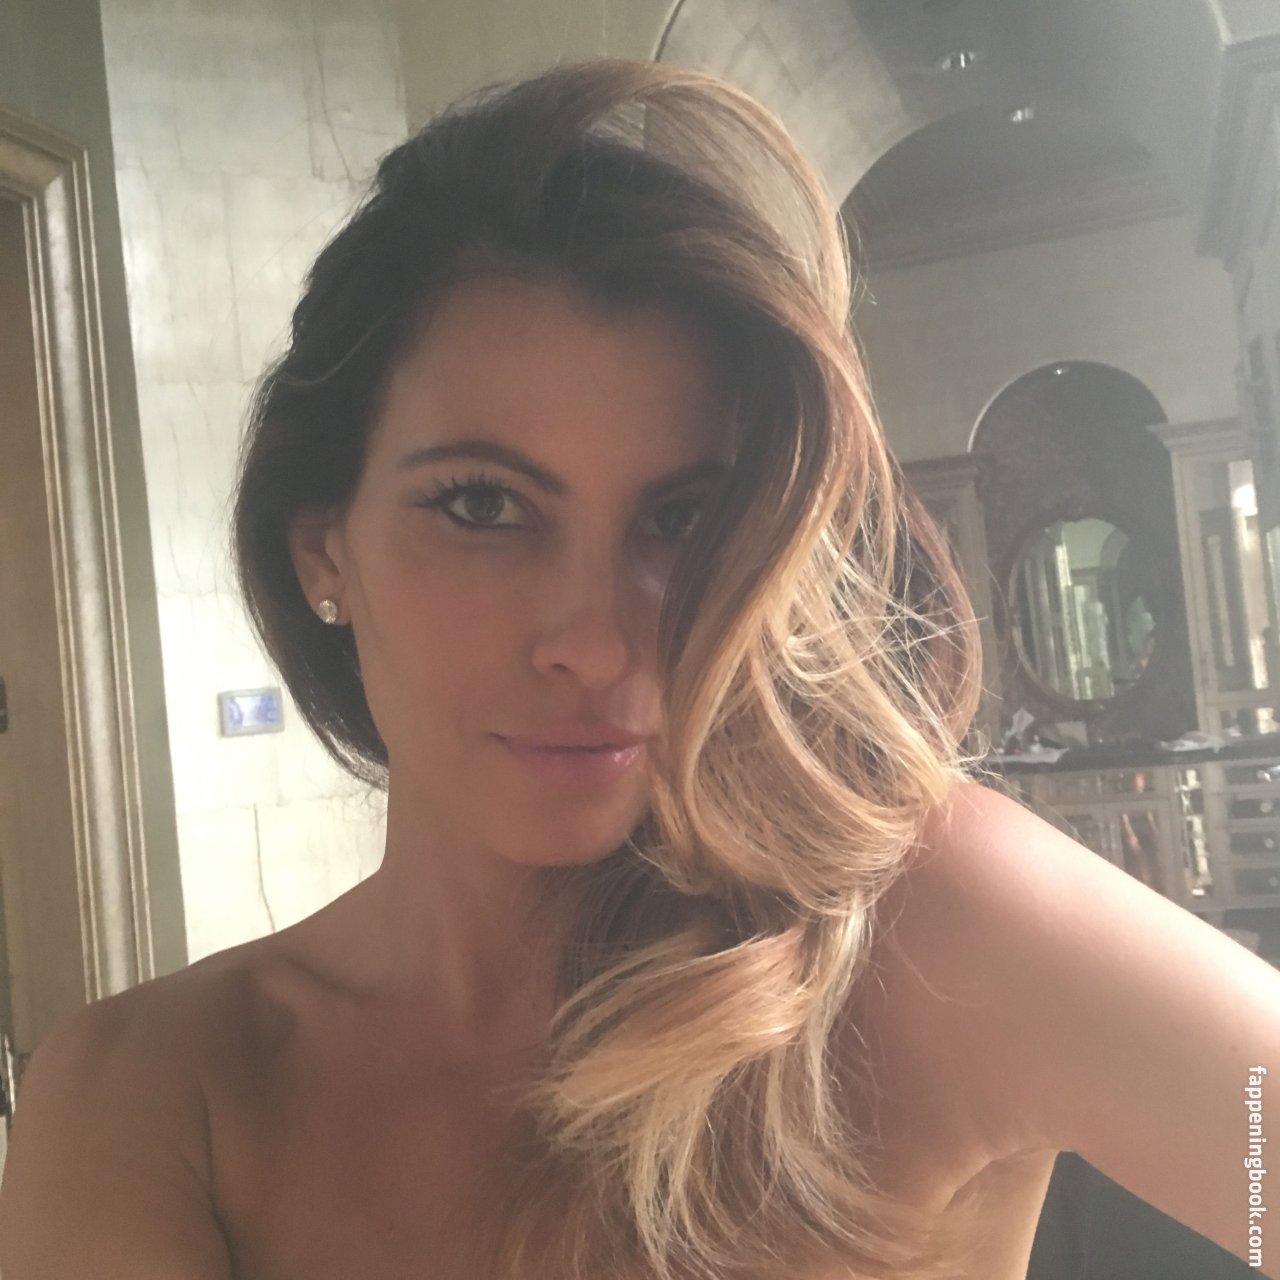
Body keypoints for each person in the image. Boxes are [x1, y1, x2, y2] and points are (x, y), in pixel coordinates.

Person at [1, 58, 1277, 1280]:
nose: (599, 638)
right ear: (321, 547)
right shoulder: (149, 1094)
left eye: (681, 516)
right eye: (482, 506)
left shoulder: (924, 936)